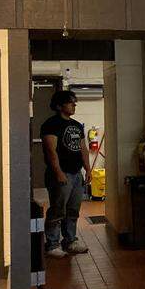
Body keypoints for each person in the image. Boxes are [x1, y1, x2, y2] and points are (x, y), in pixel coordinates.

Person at [40, 90, 91, 258]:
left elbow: (83, 148)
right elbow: (51, 151)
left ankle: (70, 241)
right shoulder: (51, 124)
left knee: (73, 210)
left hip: (76, 174)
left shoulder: (77, 125)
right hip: (61, 174)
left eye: (74, 102)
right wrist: (58, 172)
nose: (74, 105)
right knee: (58, 209)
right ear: (59, 106)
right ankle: (52, 244)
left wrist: (87, 169)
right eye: (70, 102)